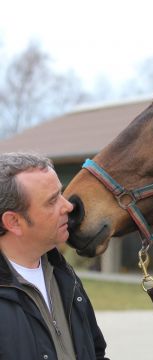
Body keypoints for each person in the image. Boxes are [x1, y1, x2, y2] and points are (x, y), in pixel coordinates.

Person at [0, 152, 109, 360]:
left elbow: (96, 352)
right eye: (52, 201)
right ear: (14, 222)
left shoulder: (64, 275)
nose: (68, 206)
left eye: (61, 193)